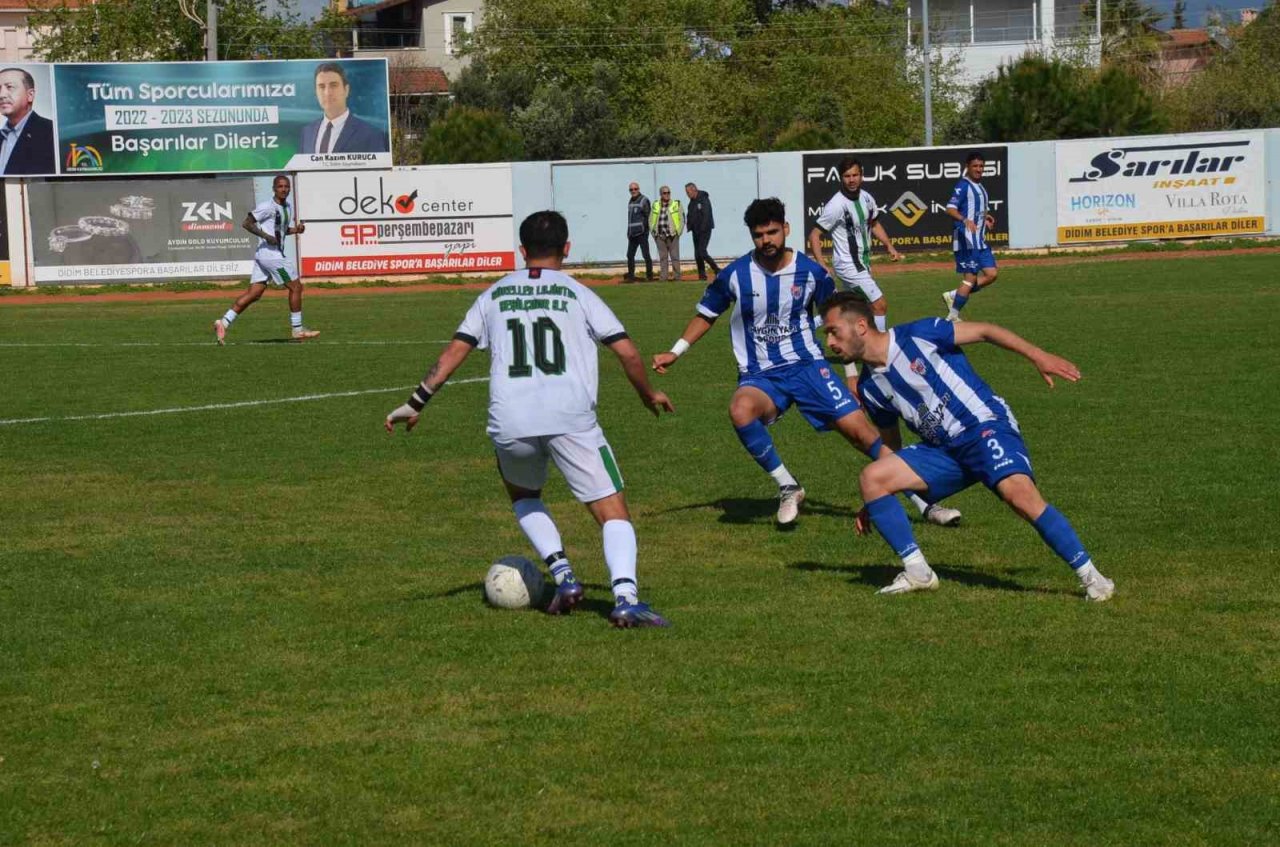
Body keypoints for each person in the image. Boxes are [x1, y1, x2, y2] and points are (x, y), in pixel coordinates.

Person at [386, 210, 675, 628]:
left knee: (523, 495)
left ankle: (564, 575)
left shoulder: (493, 295)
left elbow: (453, 354)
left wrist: (415, 402)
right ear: (567, 249)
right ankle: (626, 597)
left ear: (522, 251)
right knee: (613, 512)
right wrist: (649, 393)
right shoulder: (578, 292)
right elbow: (627, 352)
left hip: (511, 419)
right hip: (570, 418)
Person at [651, 198, 960, 529]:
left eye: (772, 232)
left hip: (809, 366)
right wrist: (676, 351)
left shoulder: (813, 273)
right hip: (761, 374)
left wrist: (851, 374)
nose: (766, 240)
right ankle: (788, 485)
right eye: (758, 235)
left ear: (785, 229)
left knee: (862, 435)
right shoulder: (735, 275)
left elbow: (837, 323)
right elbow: (707, 314)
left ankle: (924, 501)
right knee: (740, 410)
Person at [818, 291, 1115, 602]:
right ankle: (918, 573)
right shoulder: (870, 387)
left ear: (861, 326)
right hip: (944, 451)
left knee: (1019, 495)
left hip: (982, 425)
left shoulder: (919, 334)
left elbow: (986, 331)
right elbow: (891, 444)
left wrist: (1038, 355)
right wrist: (878, 498)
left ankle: (1094, 579)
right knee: (872, 477)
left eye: (833, 332)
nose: (831, 344)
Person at [807, 157, 902, 386]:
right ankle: (879, 351)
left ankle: (805, 326)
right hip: (848, 265)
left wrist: (889, 245)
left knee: (851, 307)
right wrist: (821, 263)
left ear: (861, 175)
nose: (852, 180)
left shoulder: (867, 198)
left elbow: (874, 224)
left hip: (863, 263)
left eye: (855, 175)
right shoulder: (836, 205)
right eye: (847, 176)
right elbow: (814, 235)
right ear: (841, 178)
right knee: (879, 305)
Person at [212, 175, 319, 344]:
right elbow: (247, 223)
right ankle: (297, 329)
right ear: (274, 188)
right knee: (296, 287)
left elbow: (281, 231)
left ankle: (223, 322)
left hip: (265, 256)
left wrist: (296, 230)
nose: (284, 189)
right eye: (280, 186)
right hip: (272, 256)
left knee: (254, 294)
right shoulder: (267, 207)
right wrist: (265, 236)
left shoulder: (287, 207)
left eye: (286, 186)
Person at [943, 151, 999, 322]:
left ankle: (954, 294)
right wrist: (964, 219)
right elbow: (950, 208)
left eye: (981, 166)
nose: (978, 169)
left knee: (991, 274)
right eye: (975, 166)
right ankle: (952, 315)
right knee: (970, 278)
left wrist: (985, 218)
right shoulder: (963, 185)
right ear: (967, 167)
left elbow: (976, 210)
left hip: (979, 240)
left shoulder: (980, 187)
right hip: (966, 240)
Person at [298, 62, 388, 155]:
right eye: (321, 87)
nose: (327, 93)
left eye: (333, 85)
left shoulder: (370, 134)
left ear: (346, 90)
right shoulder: (307, 132)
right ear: (316, 92)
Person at [0, 67, 55, 176]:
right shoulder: (1, 136)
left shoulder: (51, 132)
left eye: (9, 87)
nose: (1, 95)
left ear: (30, 95)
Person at [685, 182, 720, 280]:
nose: (687, 194)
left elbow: (706, 214)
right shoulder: (691, 202)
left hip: (704, 230)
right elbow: (690, 215)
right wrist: (689, 226)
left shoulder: (703, 199)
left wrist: (703, 228)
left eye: (688, 192)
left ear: (694, 189)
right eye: (686, 192)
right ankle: (702, 275)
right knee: (697, 254)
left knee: (702, 252)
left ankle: (717, 269)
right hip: (695, 231)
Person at [649, 185, 683, 281]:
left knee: (675, 257)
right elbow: (650, 219)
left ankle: (677, 277)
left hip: (672, 235)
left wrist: (678, 232)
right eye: (665, 193)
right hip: (660, 236)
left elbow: (682, 219)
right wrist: (653, 233)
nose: (667, 194)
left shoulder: (676, 204)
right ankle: (663, 278)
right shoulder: (655, 205)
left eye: (668, 192)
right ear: (661, 194)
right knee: (663, 258)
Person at [623, 182, 654, 282]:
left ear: (639, 189)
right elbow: (630, 218)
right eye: (631, 190)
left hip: (642, 233)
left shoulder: (644, 200)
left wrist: (645, 230)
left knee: (646, 255)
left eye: (635, 189)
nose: (633, 191)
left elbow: (648, 216)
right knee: (630, 255)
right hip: (632, 234)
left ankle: (649, 276)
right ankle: (631, 277)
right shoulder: (630, 201)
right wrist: (628, 232)